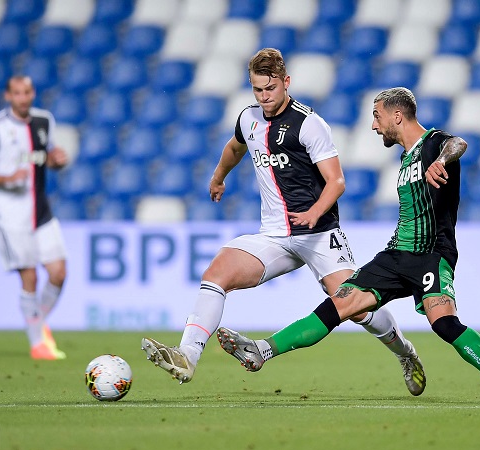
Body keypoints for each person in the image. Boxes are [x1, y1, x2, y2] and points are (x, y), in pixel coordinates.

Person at [217, 87, 480, 406]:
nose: (374, 125)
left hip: (431, 256)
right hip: (394, 257)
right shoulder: (406, 158)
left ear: (398, 115)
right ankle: (262, 350)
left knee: (444, 324)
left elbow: (458, 143)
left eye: (377, 116)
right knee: (338, 305)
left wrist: (443, 161)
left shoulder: (433, 143)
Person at [142, 48, 426, 396]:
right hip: (275, 235)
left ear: (285, 82)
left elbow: (336, 181)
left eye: (270, 89)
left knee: (356, 306)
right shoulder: (248, 119)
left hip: (320, 234)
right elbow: (235, 148)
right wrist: (218, 177)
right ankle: (187, 356)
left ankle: (406, 353)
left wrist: (314, 211)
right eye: (258, 90)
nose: (264, 97)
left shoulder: (309, 124)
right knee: (216, 274)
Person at [0, 76, 69, 360]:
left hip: (41, 210)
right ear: (8, 96)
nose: (23, 98)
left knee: (59, 273)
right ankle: (38, 344)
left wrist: (56, 161)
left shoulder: (43, 121)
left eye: (27, 92)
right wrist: (7, 178)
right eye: (17, 93)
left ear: (32, 93)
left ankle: (37, 322)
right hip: (10, 214)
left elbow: (45, 156)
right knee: (30, 275)